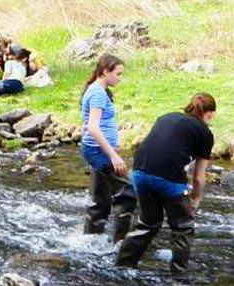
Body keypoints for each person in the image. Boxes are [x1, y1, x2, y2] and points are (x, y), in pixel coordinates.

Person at [117, 93, 217, 274]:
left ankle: (123, 266)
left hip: (139, 171)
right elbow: (199, 177)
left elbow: (159, 146)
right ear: (209, 114)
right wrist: (195, 200)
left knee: (147, 224)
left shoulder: (166, 117)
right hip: (168, 177)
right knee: (182, 227)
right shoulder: (205, 133)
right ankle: (179, 276)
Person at [80, 54, 135, 242]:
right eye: (118, 74)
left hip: (96, 149)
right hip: (99, 151)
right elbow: (93, 127)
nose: (120, 78)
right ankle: (120, 243)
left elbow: (87, 123)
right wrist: (114, 156)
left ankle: (91, 239)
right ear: (105, 72)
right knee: (128, 193)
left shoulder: (97, 90)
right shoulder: (97, 93)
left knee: (100, 197)